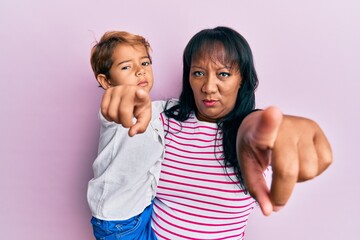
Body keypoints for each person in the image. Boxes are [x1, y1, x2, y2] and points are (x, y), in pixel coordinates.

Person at [100, 26, 333, 239]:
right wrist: (122, 99)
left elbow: (255, 129)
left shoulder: (254, 134)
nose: (208, 87)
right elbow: (130, 132)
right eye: (199, 73)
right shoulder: (165, 118)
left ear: (242, 79)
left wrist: (281, 130)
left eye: (223, 74)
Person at [87, 31, 164, 240]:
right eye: (126, 67)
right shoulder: (114, 111)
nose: (140, 71)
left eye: (145, 63)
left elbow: (169, 107)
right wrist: (127, 97)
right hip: (118, 221)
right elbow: (122, 100)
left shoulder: (157, 109)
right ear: (107, 82)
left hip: (142, 208)